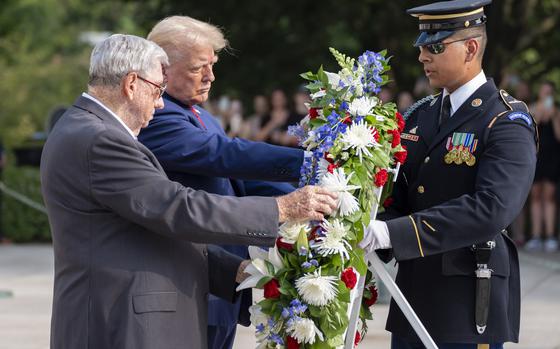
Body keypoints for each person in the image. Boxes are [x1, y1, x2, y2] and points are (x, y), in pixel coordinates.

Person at [40, 34, 337, 349]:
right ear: (131, 84)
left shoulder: (89, 130)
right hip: (122, 325)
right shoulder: (100, 139)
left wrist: (234, 270)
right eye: (157, 90)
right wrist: (281, 209)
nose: (159, 103)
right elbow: (177, 208)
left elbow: (146, 228)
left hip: (127, 319)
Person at [359, 1, 538, 348]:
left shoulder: (505, 121)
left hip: (465, 304)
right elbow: (402, 196)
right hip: (411, 296)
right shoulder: (420, 116)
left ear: (471, 48)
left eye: (435, 47)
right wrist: (356, 229)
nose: (423, 56)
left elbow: (491, 208)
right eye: (422, 47)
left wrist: (390, 233)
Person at [138, 16, 309, 349]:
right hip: (192, 281)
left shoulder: (200, 114)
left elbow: (238, 181)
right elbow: (225, 155)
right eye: (198, 68)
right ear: (162, 69)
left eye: (212, 65)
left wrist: (311, 196)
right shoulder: (159, 116)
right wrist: (308, 162)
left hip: (221, 282)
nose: (210, 77)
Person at [526, 81, 560, 252]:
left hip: (552, 158)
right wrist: (539, 112)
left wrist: (554, 116)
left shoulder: (556, 111)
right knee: (535, 196)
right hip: (535, 157)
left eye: (549, 92)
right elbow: (531, 130)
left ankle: (550, 236)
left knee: (549, 196)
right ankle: (536, 236)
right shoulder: (530, 108)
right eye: (543, 91)